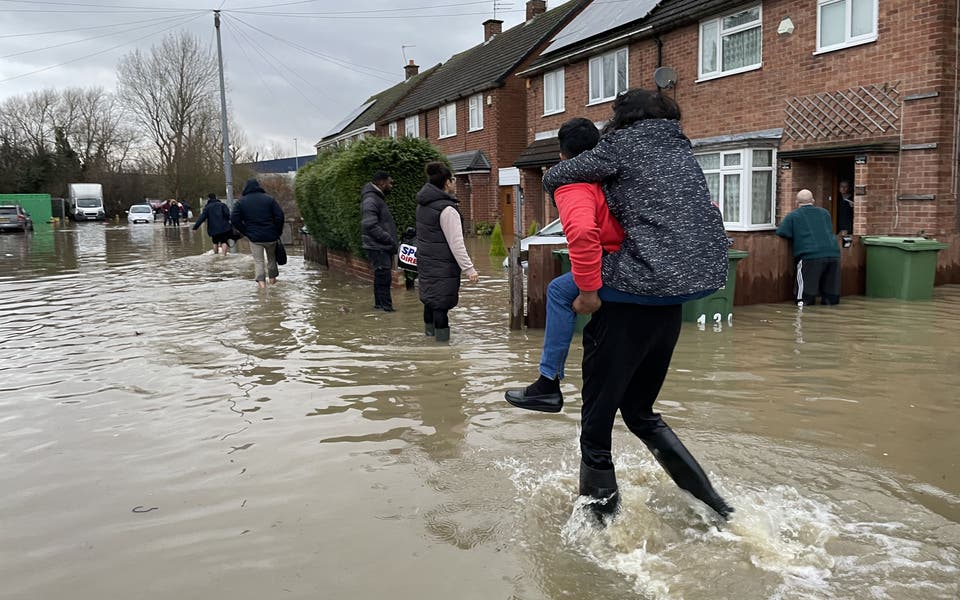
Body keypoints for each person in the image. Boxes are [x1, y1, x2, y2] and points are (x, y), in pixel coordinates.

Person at [531, 89, 734, 523]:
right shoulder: (682, 152)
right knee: (640, 412)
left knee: (596, 424)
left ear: (623, 118)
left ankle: (599, 534)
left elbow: (565, 179)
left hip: (631, 292)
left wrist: (588, 290)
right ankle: (717, 508)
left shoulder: (622, 145)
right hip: (675, 297)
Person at [505, 118, 718, 414]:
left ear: (562, 155)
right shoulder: (621, 174)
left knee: (557, 291)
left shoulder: (575, 184)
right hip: (664, 268)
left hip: (620, 263)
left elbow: (581, 234)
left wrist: (589, 292)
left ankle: (548, 382)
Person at [415, 162, 479, 342]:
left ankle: (429, 342)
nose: (454, 183)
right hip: (442, 267)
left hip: (426, 264)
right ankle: (442, 349)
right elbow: (456, 242)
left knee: (429, 302)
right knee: (441, 307)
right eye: (452, 179)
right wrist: (469, 269)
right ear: (446, 183)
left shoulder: (423, 205)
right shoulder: (447, 209)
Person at [776, 189, 841, 306]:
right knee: (831, 299)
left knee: (804, 299)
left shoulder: (793, 215)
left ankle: (803, 320)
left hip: (810, 256)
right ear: (813, 201)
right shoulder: (825, 213)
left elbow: (782, 232)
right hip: (833, 255)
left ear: (796, 202)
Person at [231, 178, 285, 289]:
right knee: (271, 259)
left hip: (254, 237)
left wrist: (245, 231)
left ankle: (262, 286)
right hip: (271, 235)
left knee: (259, 261)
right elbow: (280, 216)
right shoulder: (269, 199)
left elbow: (234, 218)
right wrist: (277, 231)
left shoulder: (241, 202)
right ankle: (272, 281)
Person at [360, 171, 398, 311]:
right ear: (382, 183)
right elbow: (369, 225)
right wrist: (388, 239)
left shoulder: (375, 198)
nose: (391, 185)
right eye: (389, 182)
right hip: (378, 246)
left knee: (380, 278)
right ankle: (387, 310)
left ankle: (380, 308)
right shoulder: (371, 199)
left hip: (378, 246)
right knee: (384, 279)